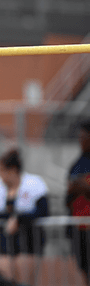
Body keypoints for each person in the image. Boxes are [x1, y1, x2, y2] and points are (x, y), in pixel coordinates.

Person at [0, 149, 49, 286]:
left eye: (1, 170)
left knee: (24, 279)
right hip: (5, 242)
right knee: (2, 278)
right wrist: (8, 219)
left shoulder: (34, 183)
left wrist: (19, 220)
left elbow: (43, 211)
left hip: (30, 241)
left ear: (12, 170)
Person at [66, 119, 90, 286]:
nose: (81, 141)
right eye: (79, 137)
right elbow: (69, 191)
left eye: (84, 137)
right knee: (84, 266)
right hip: (79, 226)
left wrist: (82, 185)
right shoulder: (77, 164)